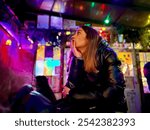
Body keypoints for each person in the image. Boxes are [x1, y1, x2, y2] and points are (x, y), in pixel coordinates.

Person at [59, 26, 127, 112]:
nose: (73, 36)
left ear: (89, 38)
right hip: (91, 108)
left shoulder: (106, 54)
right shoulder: (78, 57)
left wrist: (75, 95)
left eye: (78, 33)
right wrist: (78, 58)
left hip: (111, 110)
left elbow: (115, 88)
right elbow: (71, 86)